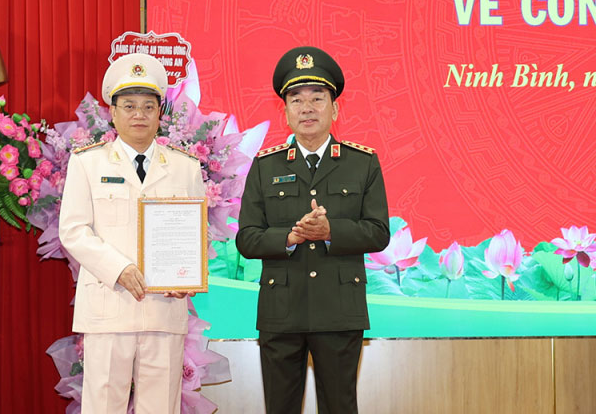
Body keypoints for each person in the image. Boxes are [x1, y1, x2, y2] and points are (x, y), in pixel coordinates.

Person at [237, 46, 390, 414]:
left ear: (334, 109)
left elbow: (378, 231)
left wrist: (329, 231)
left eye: (317, 98)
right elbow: (246, 237)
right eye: (296, 100)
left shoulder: (362, 163)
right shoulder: (264, 165)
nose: (307, 108)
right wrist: (290, 237)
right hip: (281, 311)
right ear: (285, 111)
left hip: (338, 310)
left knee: (339, 406)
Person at [57, 52, 205, 414]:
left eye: (148, 106)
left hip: (165, 308)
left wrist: (187, 274)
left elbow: (195, 233)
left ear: (160, 114)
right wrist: (119, 268)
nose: (139, 114)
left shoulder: (186, 168)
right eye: (129, 106)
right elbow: (73, 230)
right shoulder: (87, 162)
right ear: (113, 112)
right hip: (109, 306)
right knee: (103, 407)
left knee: (161, 408)